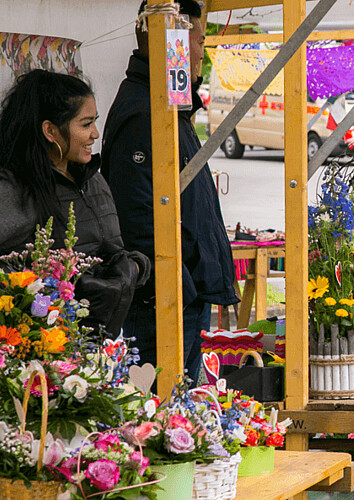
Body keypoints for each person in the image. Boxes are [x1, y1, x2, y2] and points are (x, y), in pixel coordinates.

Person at [102, 0, 238, 382]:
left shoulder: (165, 105)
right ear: (171, 39)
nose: (200, 52)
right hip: (162, 301)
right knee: (163, 414)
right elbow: (138, 216)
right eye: (197, 40)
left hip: (180, 296)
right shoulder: (144, 111)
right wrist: (182, 287)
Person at [0, 70, 150, 335]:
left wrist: (135, 266)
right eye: (85, 124)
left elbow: (111, 248)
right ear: (50, 131)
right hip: (44, 353)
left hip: (100, 348)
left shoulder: (94, 181)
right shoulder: (14, 189)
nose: (95, 133)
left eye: (95, 122)